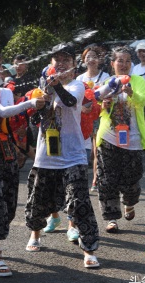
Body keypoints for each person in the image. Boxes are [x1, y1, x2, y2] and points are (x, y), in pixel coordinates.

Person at [24, 43, 100, 268]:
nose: (61, 63)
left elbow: (70, 102)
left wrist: (55, 87)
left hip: (73, 154)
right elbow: (35, 121)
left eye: (66, 60)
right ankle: (35, 235)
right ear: (50, 64)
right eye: (57, 60)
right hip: (45, 155)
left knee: (79, 201)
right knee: (38, 199)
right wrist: (41, 102)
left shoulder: (77, 85)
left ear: (74, 65)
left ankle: (89, 249)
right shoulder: (42, 86)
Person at [0, 49, 44, 277]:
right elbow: (2, 113)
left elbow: (13, 120)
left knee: (9, 205)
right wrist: (31, 102)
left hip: (7, 151)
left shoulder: (5, 91)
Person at [96, 46, 145, 233]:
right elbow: (95, 106)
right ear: (113, 64)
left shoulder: (138, 81)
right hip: (109, 137)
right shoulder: (106, 82)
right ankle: (111, 218)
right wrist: (103, 104)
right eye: (120, 60)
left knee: (132, 179)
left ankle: (129, 202)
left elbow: (143, 101)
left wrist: (130, 93)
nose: (124, 64)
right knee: (107, 179)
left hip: (133, 139)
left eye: (128, 61)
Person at [76, 46, 111, 193]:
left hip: (99, 115)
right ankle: (81, 179)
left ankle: (95, 180)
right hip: (82, 118)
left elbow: (107, 95)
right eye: (87, 57)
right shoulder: (79, 78)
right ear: (84, 60)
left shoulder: (105, 77)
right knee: (84, 150)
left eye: (93, 57)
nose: (90, 59)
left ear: (99, 60)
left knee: (95, 151)